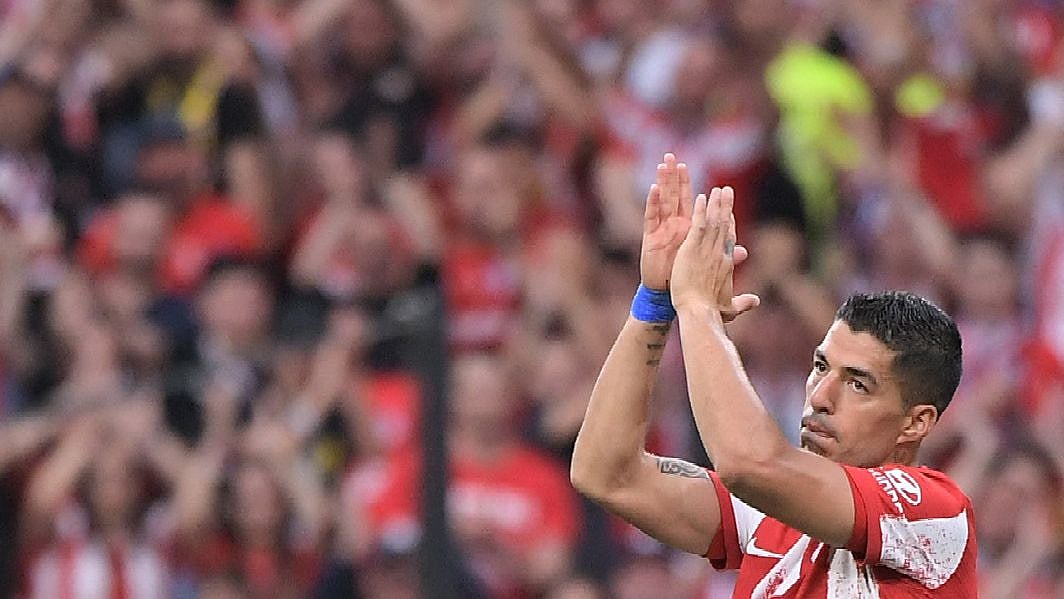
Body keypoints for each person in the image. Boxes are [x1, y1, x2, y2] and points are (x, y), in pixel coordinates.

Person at [571, 153, 978, 596]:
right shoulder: (773, 514)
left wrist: (699, 308)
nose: (821, 395)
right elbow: (606, 474)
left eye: (859, 384)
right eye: (821, 366)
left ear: (916, 422)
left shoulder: (932, 513)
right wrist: (656, 300)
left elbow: (750, 465)